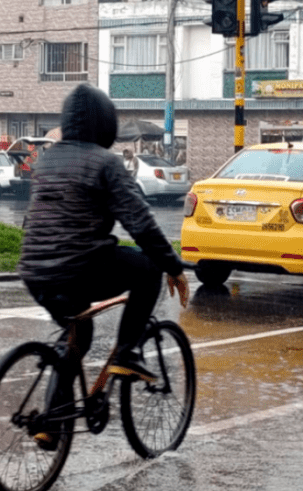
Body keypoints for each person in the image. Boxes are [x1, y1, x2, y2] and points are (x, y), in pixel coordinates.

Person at [19, 83, 189, 386]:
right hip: (80, 269)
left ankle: (52, 426)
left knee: (77, 338)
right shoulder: (105, 162)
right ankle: (127, 353)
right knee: (149, 269)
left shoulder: (46, 161)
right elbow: (140, 223)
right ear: (105, 123)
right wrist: (172, 265)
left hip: (34, 272)